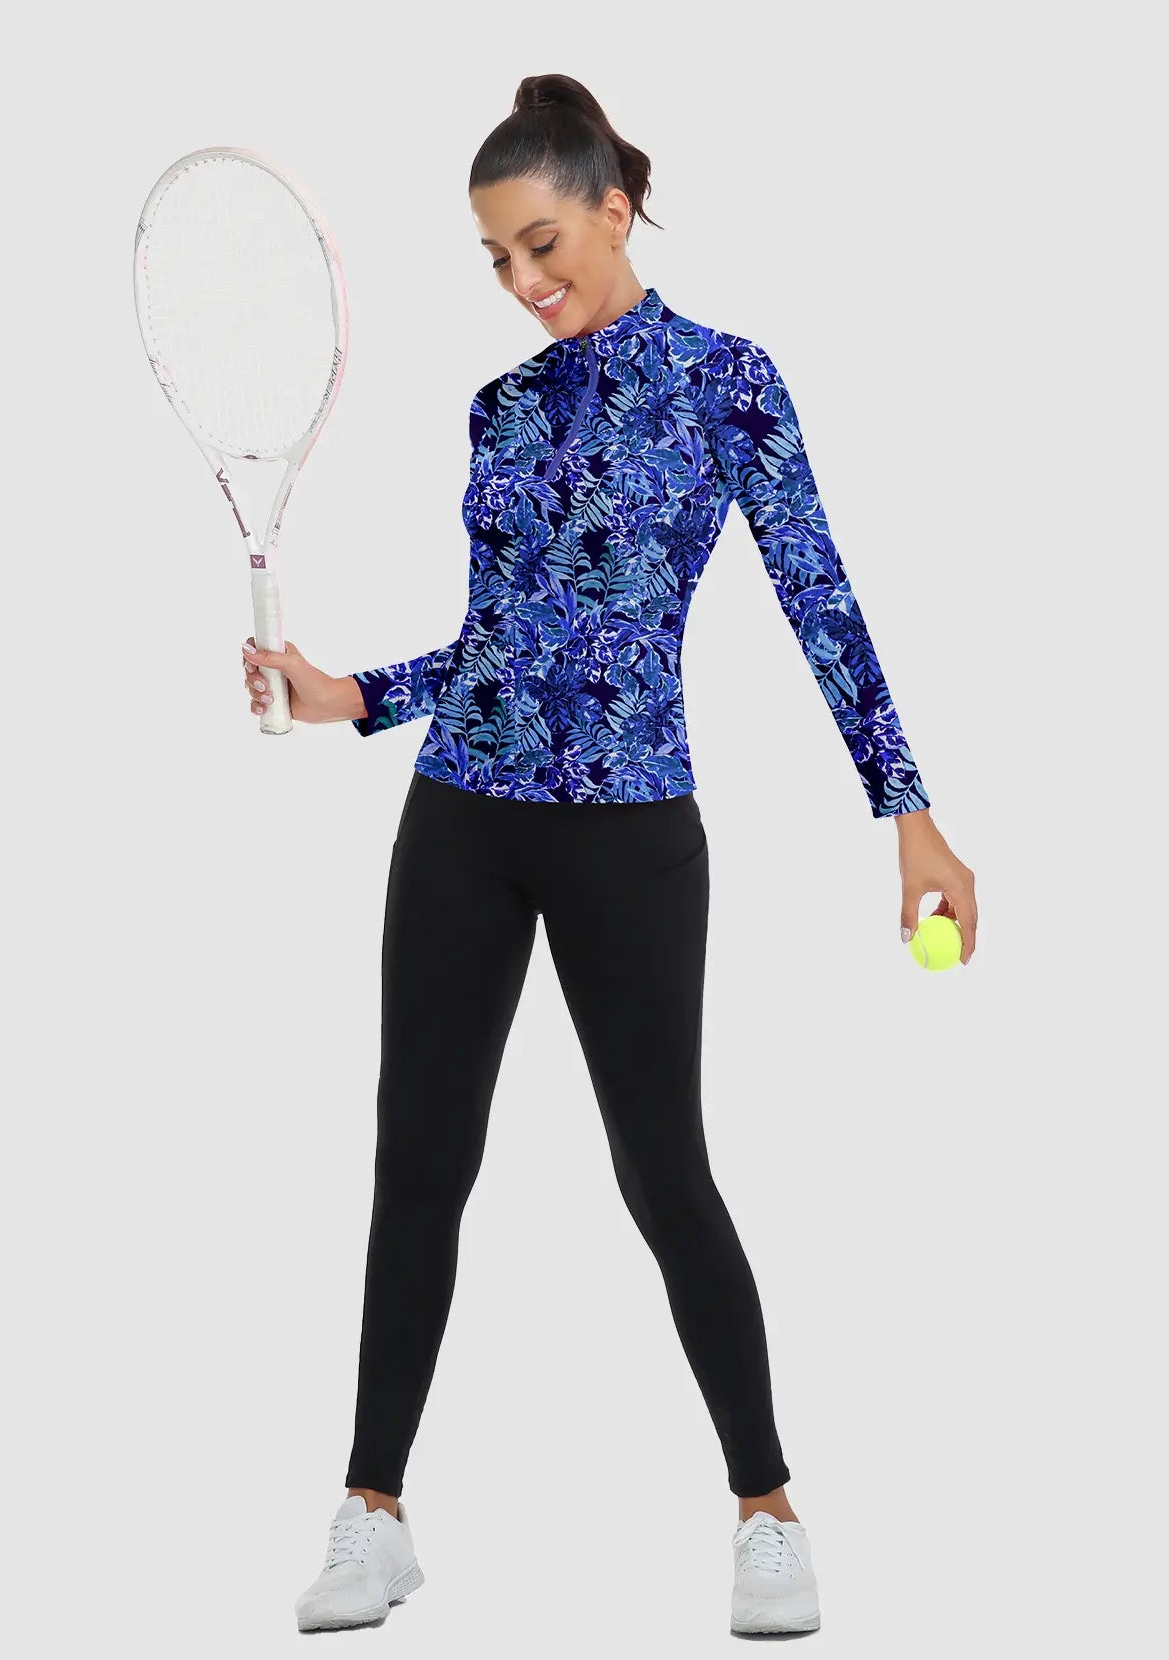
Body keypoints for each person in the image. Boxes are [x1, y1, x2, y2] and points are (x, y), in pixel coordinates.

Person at [243, 73, 978, 1638]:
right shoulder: (500, 409)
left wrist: (906, 807)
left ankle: (768, 1511)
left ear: (614, 208)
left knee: (664, 1173)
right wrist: (352, 696)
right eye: (496, 259)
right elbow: (506, 644)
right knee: (417, 1165)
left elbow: (817, 594)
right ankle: (373, 1511)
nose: (522, 280)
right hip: (461, 819)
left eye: (542, 243)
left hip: (633, 834)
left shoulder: (726, 380)